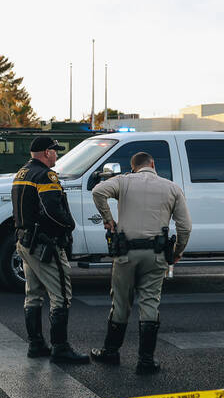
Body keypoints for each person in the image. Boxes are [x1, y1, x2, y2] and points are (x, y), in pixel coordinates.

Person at [90, 152, 192, 375]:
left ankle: (111, 352)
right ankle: (146, 360)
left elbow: (98, 191)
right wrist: (177, 252)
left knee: (120, 301)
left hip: (126, 253)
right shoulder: (172, 188)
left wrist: (109, 220)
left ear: (133, 167)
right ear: (153, 164)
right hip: (156, 255)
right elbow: (185, 227)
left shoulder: (123, 182)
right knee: (150, 302)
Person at [12, 136, 88, 365]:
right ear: (46, 153)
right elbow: (52, 209)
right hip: (45, 244)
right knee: (61, 296)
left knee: (33, 293)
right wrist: (69, 225)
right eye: (54, 151)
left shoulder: (22, 172)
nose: (56, 154)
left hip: (26, 242)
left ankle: (36, 344)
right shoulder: (46, 175)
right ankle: (60, 348)